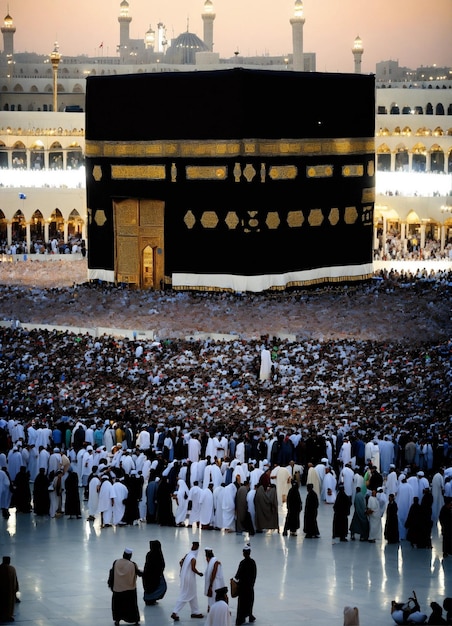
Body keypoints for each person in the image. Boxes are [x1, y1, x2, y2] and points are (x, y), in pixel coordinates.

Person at [171, 541, 204, 621]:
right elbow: (193, 568)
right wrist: (199, 573)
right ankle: (175, 612)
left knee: (193, 594)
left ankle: (195, 612)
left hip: (185, 577)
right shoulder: (193, 558)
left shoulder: (188, 555)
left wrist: (184, 570)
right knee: (186, 594)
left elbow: (180, 562)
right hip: (190, 579)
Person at [109, 547, 142, 626]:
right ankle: (135, 620)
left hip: (118, 588)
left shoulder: (116, 562)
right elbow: (139, 573)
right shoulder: (132, 564)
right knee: (131, 606)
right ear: (130, 556)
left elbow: (112, 573)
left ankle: (117, 620)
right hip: (129, 589)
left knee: (117, 606)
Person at [233, 544, 257, 626]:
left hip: (242, 588)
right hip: (250, 587)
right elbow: (254, 575)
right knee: (250, 602)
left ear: (243, 553)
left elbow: (237, 575)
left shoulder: (242, 563)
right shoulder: (253, 562)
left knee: (242, 604)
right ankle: (250, 615)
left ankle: (240, 619)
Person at [142, 540, 166, 606]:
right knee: (156, 588)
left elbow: (147, 565)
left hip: (148, 576)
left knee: (150, 588)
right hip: (155, 576)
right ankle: (152, 599)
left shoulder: (149, 554)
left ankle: (149, 599)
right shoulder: (158, 554)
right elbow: (162, 565)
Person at [204, 548, 225, 613]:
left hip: (215, 584)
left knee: (214, 596)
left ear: (208, 557)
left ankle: (213, 609)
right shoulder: (214, 562)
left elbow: (213, 573)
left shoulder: (214, 562)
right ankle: (210, 607)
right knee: (213, 597)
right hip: (215, 583)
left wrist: (210, 585)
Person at [0, 556, 19, 623]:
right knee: (9, 605)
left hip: (1, 591)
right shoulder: (12, 569)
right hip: (10, 591)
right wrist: (16, 589)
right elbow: (15, 580)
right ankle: (8, 616)